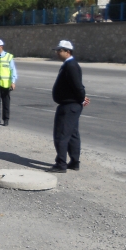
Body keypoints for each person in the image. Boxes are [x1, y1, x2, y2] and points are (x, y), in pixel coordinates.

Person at [48, 40, 90, 173]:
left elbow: (78, 86)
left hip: (69, 106)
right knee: (72, 134)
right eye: (57, 50)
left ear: (68, 52)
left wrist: (81, 98)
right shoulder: (68, 64)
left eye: (60, 50)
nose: (57, 53)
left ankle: (61, 164)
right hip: (71, 105)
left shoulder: (71, 66)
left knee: (61, 135)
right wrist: (81, 98)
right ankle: (74, 162)